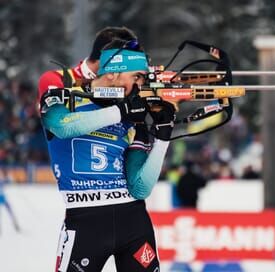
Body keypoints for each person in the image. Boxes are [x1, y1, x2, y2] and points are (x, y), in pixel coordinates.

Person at [38, 31, 175, 271]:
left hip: (133, 220)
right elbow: (61, 126)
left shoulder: (133, 120)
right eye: (137, 77)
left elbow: (140, 188)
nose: (139, 85)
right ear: (112, 73)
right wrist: (120, 112)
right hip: (85, 222)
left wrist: (163, 137)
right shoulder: (64, 98)